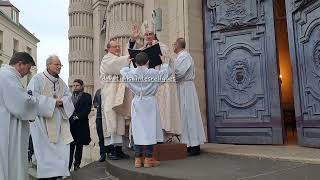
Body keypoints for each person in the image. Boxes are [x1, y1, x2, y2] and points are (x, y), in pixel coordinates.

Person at [129, 20, 182, 138]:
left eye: (150, 34)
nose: (148, 37)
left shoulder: (162, 46)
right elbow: (132, 57)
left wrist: (155, 47)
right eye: (146, 35)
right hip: (148, 85)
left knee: (161, 112)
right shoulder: (142, 49)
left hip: (161, 84)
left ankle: (161, 137)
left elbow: (168, 60)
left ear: (154, 35)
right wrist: (133, 40)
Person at [120, 52, 172, 168]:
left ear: (136, 62)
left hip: (137, 102)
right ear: (148, 62)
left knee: (138, 131)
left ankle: (138, 159)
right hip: (149, 103)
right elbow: (166, 74)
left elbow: (123, 72)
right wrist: (164, 63)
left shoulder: (131, 73)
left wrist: (126, 65)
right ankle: (148, 159)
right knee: (150, 130)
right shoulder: (152, 73)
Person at [28, 55, 74, 179]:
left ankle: (57, 175)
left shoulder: (61, 83)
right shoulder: (37, 79)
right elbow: (32, 98)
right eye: (56, 64)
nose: (59, 67)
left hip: (59, 123)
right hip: (43, 123)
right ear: (48, 65)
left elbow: (68, 97)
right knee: (46, 154)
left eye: (60, 65)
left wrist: (63, 102)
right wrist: (53, 103)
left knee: (61, 151)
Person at [0, 52, 38, 180]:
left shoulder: (7, 75)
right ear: (20, 64)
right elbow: (21, 103)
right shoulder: (7, 76)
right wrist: (37, 105)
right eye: (28, 68)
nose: (28, 72)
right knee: (11, 164)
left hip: (7, 125)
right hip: (8, 129)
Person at [173, 38, 206, 156]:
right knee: (185, 117)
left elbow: (179, 73)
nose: (173, 46)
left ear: (178, 45)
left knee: (189, 116)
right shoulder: (181, 57)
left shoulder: (184, 56)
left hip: (186, 88)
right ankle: (187, 144)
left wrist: (169, 71)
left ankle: (194, 146)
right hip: (183, 88)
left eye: (174, 44)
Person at [100, 40, 131, 160]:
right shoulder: (107, 59)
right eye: (115, 46)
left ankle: (119, 149)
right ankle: (111, 151)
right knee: (111, 120)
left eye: (119, 46)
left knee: (119, 121)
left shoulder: (117, 60)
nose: (118, 48)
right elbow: (117, 65)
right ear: (108, 49)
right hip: (110, 96)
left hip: (118, 96)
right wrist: (130, 57)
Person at [69, 79, 92, 171]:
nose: (75, 87)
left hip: (81, 125)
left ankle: (77, 164)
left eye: (77, 85)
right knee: (70, 147)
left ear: (82, 86)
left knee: (79, 146)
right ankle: (68, 166)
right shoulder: (69, 97)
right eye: (73, 85)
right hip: (70, 126)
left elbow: (87, 109)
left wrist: (77, 117)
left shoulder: (87, 96)